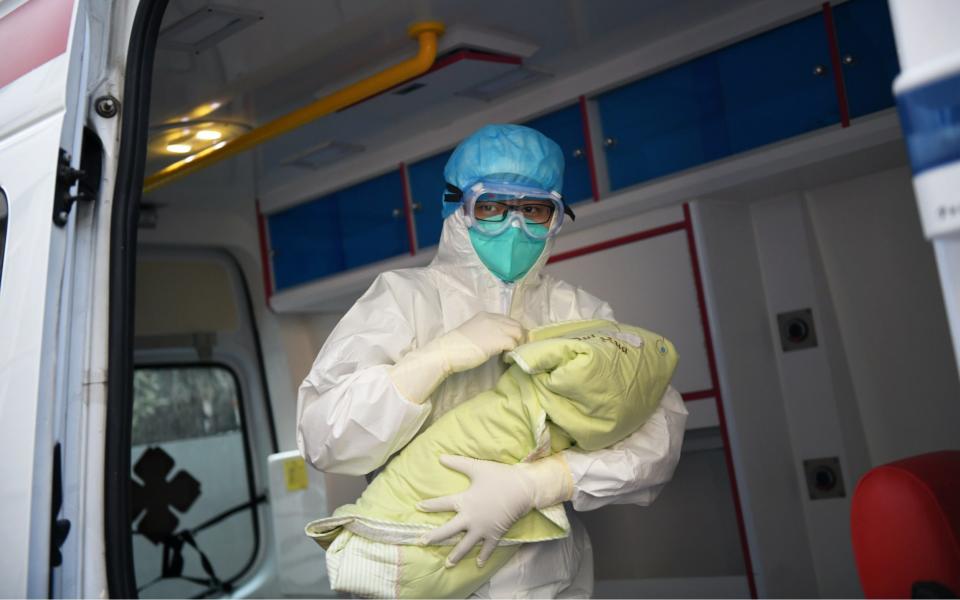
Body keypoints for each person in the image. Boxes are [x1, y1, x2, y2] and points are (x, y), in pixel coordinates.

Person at [297, 123, 689, 598]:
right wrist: (429, 363)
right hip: (425, 564)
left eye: (533, 210)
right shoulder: (403, 301)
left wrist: (541, 483)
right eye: (492, 208)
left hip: (551, 578)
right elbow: (325, 440)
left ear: (556, 216)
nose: (514, 226)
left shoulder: (578, 313)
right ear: (456, 210)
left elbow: (658, 436)